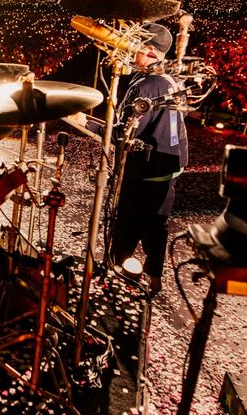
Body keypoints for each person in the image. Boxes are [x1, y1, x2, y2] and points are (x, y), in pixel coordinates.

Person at [71, 21, 188, 296]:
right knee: (156, 223)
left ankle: (111, 276)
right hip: (168, 164)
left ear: (147, 48)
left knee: (126, 223)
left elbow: (122, 136)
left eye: (133, 44)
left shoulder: (147, 86)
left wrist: (85, 124)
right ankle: (154, 274)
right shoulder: (170, 77)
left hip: (146, 168)